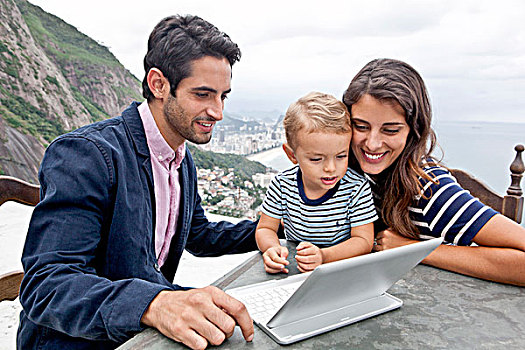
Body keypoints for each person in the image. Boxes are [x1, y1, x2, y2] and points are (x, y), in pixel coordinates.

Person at [18, 15, 259, 350]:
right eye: (203, 94)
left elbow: (197, 234)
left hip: (140, 336)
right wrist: (155, 304)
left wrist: (275, 227)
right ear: (159, 84)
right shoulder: (86, 155)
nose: (217, 111)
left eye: (223, 97)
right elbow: (47, 286)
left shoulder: (179, 156)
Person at [342, 58, 525, 286]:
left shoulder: (430, 189)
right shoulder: (345, 173)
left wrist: (413, 251)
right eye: (361, 126)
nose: (372, 143)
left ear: (413, 131)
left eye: (390, 130)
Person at [255, 92, 377, 274]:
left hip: (341, 268)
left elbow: (363, 241)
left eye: (341, 156)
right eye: (316, 159)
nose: (330, 168)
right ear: (291, 155)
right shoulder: (282, 184)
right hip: (296, 268)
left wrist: (324, 256)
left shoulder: (356, 188)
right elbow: (265, 228)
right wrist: (272, 249)